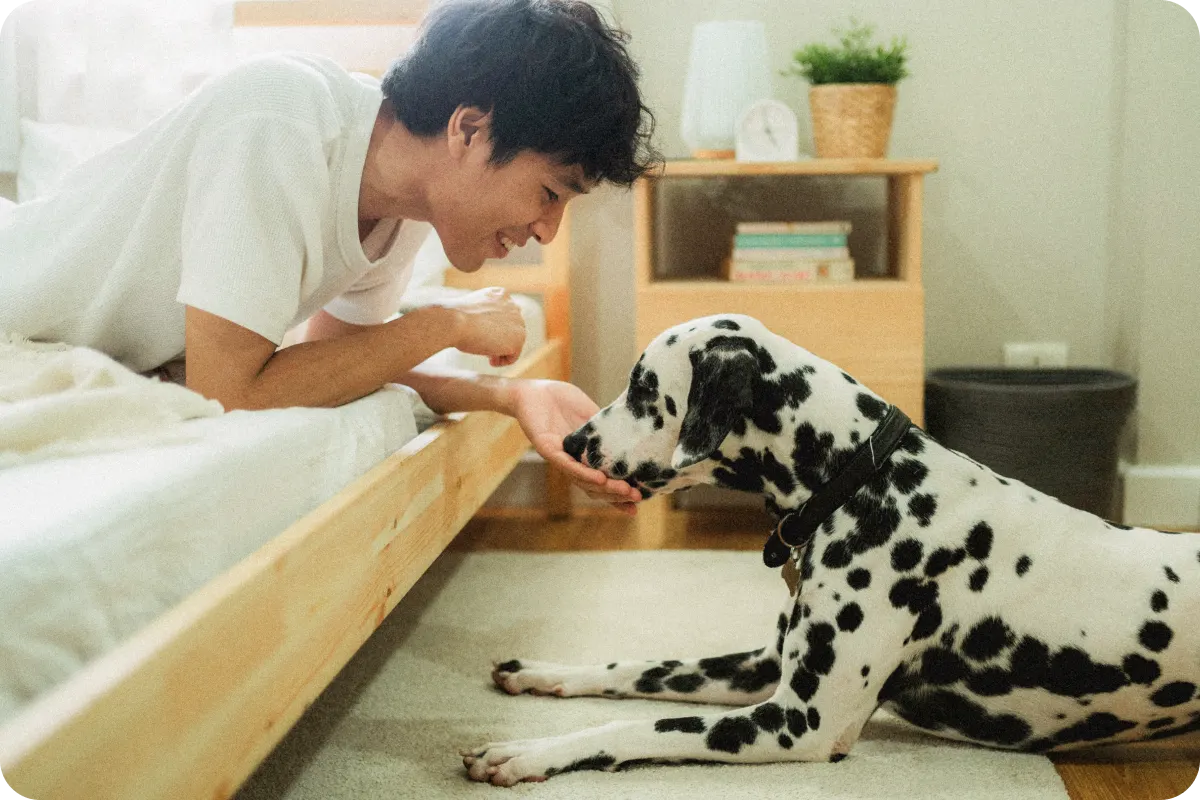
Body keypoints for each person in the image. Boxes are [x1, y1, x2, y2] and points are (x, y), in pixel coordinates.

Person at [0, 0, 660, 511]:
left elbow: (322, 372)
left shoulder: (401, 211)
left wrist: (510, 396)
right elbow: (231, 396)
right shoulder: (280, 114)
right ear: (469, 129)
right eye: (549, 193)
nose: (547, 230)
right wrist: (444, 324)